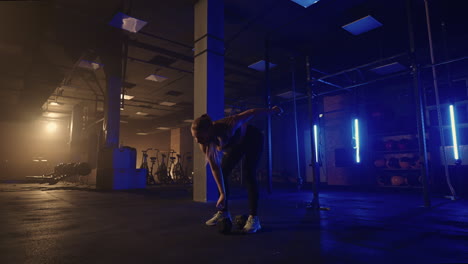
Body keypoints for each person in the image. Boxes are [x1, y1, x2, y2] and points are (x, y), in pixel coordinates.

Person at [191, 106, 283, 233]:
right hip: (237, 145)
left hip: (253, 138)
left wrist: (273, 110)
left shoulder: (229, 124)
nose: (197, 140)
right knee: (223, 172)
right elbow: (215, 168)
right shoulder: (203, 142)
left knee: (248, 173)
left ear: (209, 131)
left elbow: (252, 111)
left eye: (199, 137)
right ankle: (223, 212)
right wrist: (222, 193)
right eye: (195, 137)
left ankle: (254, 219)